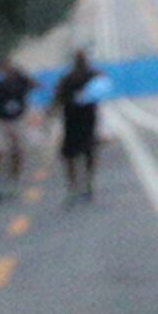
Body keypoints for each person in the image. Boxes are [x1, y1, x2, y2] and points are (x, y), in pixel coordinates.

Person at [47, 50, 106, 204]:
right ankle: (84, 184)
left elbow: (57, 97)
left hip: (76, 119)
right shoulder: (86, 76)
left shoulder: (70, 78)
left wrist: (51, 112)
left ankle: (77, 186)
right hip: (81, 119)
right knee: (84, 152)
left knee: (76, 154)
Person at [0, 60, 33, 200]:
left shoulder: (22, 84)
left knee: (18, 151)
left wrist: (21, 74)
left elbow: (34, 84)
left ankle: (13, 181)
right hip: (1, 121)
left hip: (18, 120)